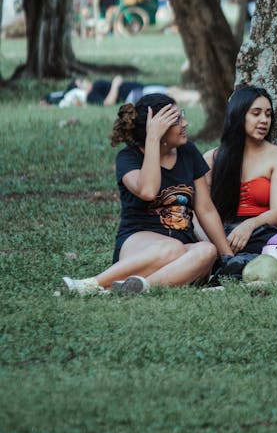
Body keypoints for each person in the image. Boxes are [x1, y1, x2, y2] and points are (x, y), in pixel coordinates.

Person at [62, 93, 234, 295]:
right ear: (157, 128)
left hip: (183, 250)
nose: (185, 123)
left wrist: (229, 258)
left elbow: (205, 209)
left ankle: (135, 288)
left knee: (207, 250)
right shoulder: (128, 157)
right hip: (139, 244)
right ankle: (91, 284)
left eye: (182, 116)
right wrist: (152, 139)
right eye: (177, 120)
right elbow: (148, 191)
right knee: (172, 248)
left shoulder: (189, 152)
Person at [202, 85, 277, 278]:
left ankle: (235, 267)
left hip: (261, 233)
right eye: (256, 113)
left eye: (268, 115)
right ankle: (228, 264)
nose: (264, 120)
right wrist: (220, 245)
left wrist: (249, 225)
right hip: (221, 235)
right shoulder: (212, 159)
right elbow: (199, 210)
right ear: (238, 115)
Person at [40, 77, 198, 108]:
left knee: (172, 88)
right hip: (134, 94)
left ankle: (197, 96)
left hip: (138, 88)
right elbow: (107, 103)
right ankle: (198, 97)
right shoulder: (91, 95)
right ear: (78, 87)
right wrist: (115, 85)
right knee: (170, 94)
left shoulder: (94, 88)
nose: (85, 81)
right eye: (81, 82)